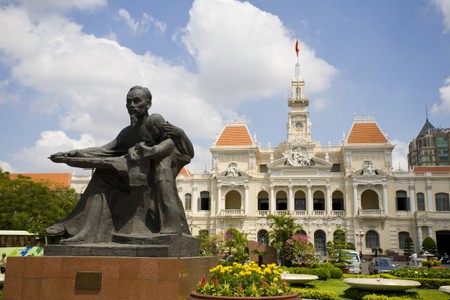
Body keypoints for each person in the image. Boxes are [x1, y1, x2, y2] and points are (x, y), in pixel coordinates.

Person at [46, 86, 194, 243]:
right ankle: (81, 230)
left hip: (155, 179)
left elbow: (180, 148)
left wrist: (177, 136)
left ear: (148, 104)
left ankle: (158, 227)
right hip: (130, 177)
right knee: (102, 174)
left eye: (137, 101)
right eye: (128, 102)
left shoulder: (156, 122)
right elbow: (105, 150)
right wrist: (76, 153)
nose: (132, 106)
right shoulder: (128, 132)